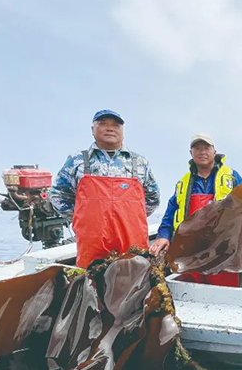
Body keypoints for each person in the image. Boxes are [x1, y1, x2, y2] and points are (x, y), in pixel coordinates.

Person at [50, 109, 160, 268]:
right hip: (92, 244)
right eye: (103, 124)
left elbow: (153, 198)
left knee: (134, 284)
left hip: (132, 242)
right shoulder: (77, 161)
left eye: (115, 125)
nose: (110, 128)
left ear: (123, 131)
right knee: (90, 286)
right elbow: (58, 195)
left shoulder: (139, 162)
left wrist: (130, 217)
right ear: (92, 129)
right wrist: (83, 218)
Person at [149, 134, 242, 286]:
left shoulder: (232, 177)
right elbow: (170, 213)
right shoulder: (183, 182)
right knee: (191, 295)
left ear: (214, 152)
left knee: (224, 297)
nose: (202, 152)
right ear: (191, 153)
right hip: (189, 253)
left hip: (223, 251)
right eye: (197, 148)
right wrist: (163, 235)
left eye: (206, 148)